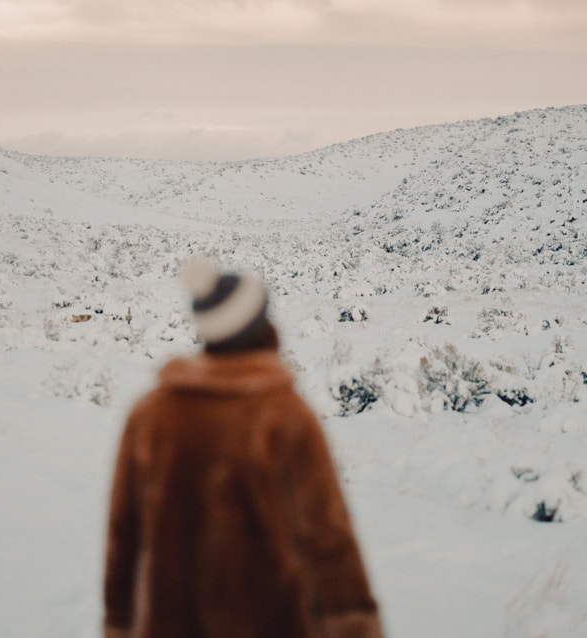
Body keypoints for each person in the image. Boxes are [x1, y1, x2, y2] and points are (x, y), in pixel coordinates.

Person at [103, 259, 382, 638]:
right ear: (260, 327)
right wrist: (354, 625)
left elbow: (124, 534)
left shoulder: (150, 415)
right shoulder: (286, 415)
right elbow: (328, 537)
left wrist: (118, 623)